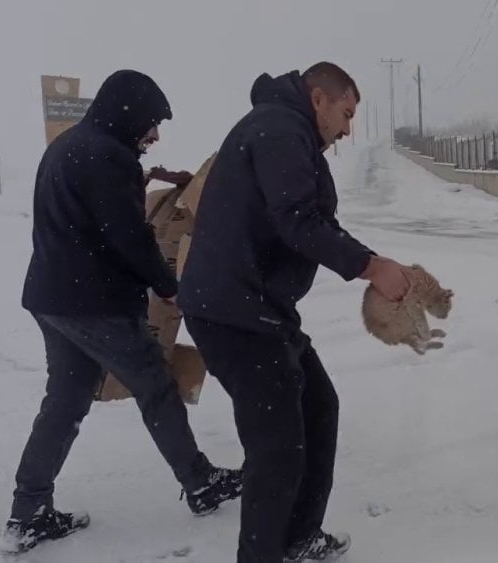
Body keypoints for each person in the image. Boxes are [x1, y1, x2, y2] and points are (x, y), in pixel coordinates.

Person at [0, 69, 242, 555]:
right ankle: (199, 483)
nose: (154, 134)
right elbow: (129, 238)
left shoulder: (67, 146)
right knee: (155, 385)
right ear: (128, 112)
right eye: (151, 123)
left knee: (64, 402)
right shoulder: (111, 157)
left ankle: (28, 513)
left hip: (51, 300)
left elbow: (87, 219)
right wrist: (168, 286)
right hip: (95, 304)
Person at [178, 62, 410, 563]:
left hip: (259, 309)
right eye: (346, 114)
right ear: (319, 98)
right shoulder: (279, 129)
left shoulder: (286, 131)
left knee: (318, 407)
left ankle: (298, 538)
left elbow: (305, 219)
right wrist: (371, 266)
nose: (347, 129)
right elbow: (299, 220)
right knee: (277, 449)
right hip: (234, 314)